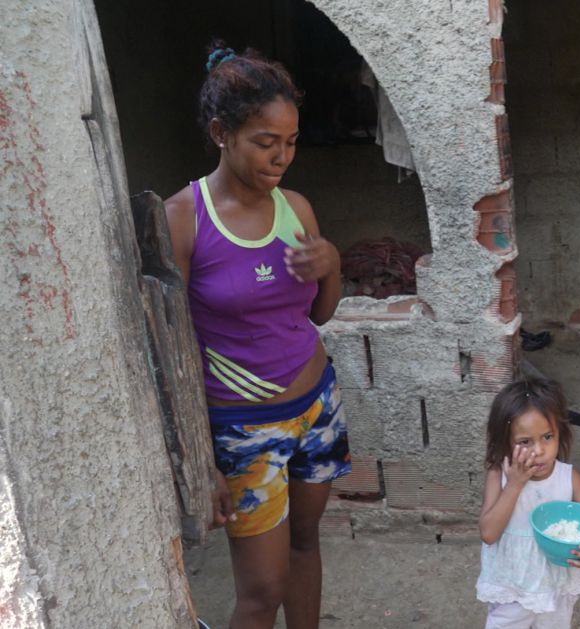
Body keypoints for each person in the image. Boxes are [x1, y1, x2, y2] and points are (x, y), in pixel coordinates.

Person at [164, 43, 350, 629]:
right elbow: (172, 355)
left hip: (318, 405)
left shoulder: (296, 208)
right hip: (243, 430)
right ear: (222, 132)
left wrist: (332, 265)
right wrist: (202, 459)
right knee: (260, 589)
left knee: (305, 542)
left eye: (290, 142)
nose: (282, 157)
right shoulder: (183, 220)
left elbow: (322, 313)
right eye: (265, 142)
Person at [476, 378, 580, 629]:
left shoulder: (569, 478)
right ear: (504, 441)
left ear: (560, 434)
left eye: (547, 437)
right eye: (525, 442)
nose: (538, 450)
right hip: (512, 587)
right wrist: (515, 484)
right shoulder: (499, 475)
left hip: (555, 587)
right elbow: (488, 533)